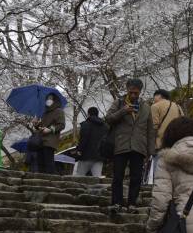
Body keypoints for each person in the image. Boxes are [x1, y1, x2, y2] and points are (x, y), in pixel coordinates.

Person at [105, 78, 155, 213]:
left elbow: (150, 130)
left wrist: (150, 151)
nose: (133, 95)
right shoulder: (119, 102)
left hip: (139, 146)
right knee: (118, 176)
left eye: (136, 93)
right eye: (131, 92)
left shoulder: (146, 107)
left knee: (136, 177)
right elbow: (108, 118)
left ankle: (132, 203)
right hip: (121, 144)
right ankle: (117, 203)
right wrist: (123, 111)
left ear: (140, 92)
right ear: (127, 90)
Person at [148, 88, 183, 183]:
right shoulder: (178, 107)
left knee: (159, 172)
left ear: (159, 95)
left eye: (154, 96)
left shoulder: (155, 106)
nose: (154, 99)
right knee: (174, 172)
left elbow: (154, 126)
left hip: (160, 144)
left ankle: (158, 192)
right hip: (176, 144)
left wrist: (150, 145)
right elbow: (183, 123)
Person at [31, 93, 65, 174]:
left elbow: (61, 125)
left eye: (50, 99)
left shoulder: (59, 111)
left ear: (54, 100)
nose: (48, 101)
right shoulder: (45, 112)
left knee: (49, 163)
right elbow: (41, 127)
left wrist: (50, 129)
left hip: (50, 140)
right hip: (41, 140)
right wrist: (36, 124)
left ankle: (52, 180)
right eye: (47, 99)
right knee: (41, 164)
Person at [73, 106, 107, 177]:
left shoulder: (86, 124)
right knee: (97, 178)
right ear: (97, 114)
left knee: (79, 177)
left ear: (88, 114)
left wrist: (79, 150)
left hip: (86, 155)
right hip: (99, 157)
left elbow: (83, 139)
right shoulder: (105, 126)